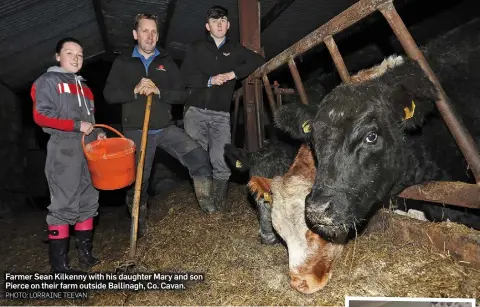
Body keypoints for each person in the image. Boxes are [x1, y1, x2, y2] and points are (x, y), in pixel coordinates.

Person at [103, 14, 215, 235]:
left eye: (154, 31)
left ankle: (208, 210)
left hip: (165, 128)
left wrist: (159, 91)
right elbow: (108, 94)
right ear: (135, 35)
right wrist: (134, 91)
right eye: (145, 31)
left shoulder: (166, 62)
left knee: (199, 157)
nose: (150, 36)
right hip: (136, 132)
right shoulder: (123, 62)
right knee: (138, 183)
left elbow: (182, 94)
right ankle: (139, 223)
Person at [180, 5, 265, 211]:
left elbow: (257, 60)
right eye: (214, 21)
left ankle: (217, 206)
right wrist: (209, 80)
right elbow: (184, 77)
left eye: (222, 21)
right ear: (207, 26)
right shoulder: (196, 48)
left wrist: (233, 74)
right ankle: (206, 206)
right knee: (198, 157)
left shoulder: (234, 49)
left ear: (228, 25)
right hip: (196, 110)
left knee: (222, 159)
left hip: (220, 114)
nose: (219, 24)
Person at [31, 37, 105, 273]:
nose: (76, 58)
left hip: (87, 149)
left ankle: (86, 255)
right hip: (63, 149)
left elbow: (89, 123)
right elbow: (41, 117)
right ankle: (60, 267)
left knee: (88, 200)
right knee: (63, 205)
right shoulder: (47, 81)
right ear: (58, 56)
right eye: (69, 53)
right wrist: (75, 125)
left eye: (80, 54)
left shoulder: (86, 88)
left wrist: (98, 133)